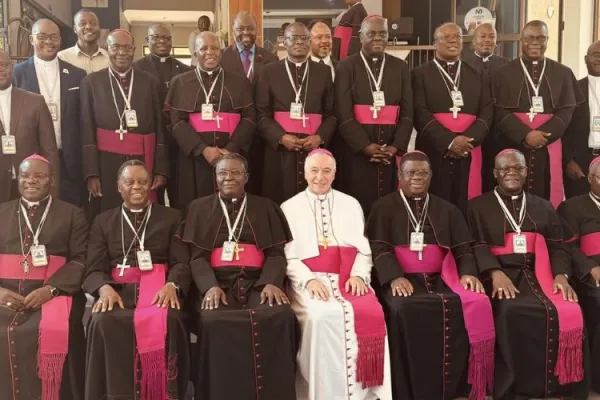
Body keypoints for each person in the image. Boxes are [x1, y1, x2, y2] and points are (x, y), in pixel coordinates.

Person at [366, 151, 495, 400]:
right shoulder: (383, 207)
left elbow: (463, 248)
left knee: (472, 302)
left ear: (431, 176)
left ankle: (458, 386)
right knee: (404, 306)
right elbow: (379, 248)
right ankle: (410, 389)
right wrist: (394, 278)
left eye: (423, 173)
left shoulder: (446, 208)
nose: (417, 177)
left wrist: (468, 273)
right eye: (411, 172)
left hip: (443, 277)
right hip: (403, 278)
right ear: (400, 176)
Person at [468, 149, 588, 399]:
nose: (511, 172)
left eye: (517, 168)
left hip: (540, 275)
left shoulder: (542, 206)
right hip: (502, 275)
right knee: (512, 309)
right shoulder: (477, 206)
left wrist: (561, 276)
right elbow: (475, 244)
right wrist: (493, 272)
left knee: (570, 307)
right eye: (505, 168)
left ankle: (558, 384)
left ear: (526, 172)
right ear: (494, 173)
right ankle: (514, 387)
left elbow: (558, 245)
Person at [178, 153, 297, 399]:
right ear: (215, 177)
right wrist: (209, 287)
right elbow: (197, 258)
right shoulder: (199, 208)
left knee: (281, 314)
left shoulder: (265, 207)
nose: (228, 178)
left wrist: (271, 283)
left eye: (234, 173)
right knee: (212, 320)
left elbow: (276, 253)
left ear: (246, 177)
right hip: (219, 284)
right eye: (222, 173)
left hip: (257, 283)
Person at [282, 149, 392, 400]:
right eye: (314, 170)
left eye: (326, 171)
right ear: (304, 173)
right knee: (320, 315)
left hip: (347, 277)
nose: (319, 177)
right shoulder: (289, 207)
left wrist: (359, 276)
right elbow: (287, 256)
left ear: (334, 174)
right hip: (308, 280)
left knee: (371, 312)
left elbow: (364, 251)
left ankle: (364, 392)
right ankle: (321, 391)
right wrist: (308, 280)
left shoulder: (350, 204)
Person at [83, 160, 190, 400]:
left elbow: (181, 261)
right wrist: (104, 288)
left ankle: (164, 393)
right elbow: (93, 266)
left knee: (169, 317)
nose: (137, 187)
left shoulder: (172, 217)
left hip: (158, 289)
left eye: (143, 182)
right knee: (102, 320)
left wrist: (172, 285)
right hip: (118, 291)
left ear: (152, 184)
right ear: (119, 186)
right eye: (129, 182)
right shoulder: (103, 220)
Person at [0, 155, 88, 400]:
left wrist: (50, 290)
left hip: (52, 296)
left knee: (48, 329)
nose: (30, 181)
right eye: (26, 175)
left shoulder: (72, 214)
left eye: (38, 176)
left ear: (51, 180)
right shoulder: (2, 212)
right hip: (6, 297)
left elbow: (81, 259)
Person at [490, 20, 583, 208]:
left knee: (547, 192)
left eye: (541, 38)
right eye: (530, 38)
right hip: (514, 142)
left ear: (547, 40)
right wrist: (525, 134)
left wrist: (544, 135)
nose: (535, 42)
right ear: (521, 40)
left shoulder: (563, 73)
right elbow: (498, 110)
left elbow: (567, 110)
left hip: (548, 145)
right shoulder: (503, 73)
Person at [81, 29, 167, 220]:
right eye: (115, 47)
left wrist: (160, 169)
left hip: (144, 159)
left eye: (127, 47)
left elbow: (160, 127)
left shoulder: (150, 82)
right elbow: (86, 129)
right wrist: (91, 173)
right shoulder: (91, 82)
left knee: (145, 213)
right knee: (109, 213)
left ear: (134, 50)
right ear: (106, 49)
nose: (122, 52)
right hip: (106, 163)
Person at [165, 31, 256, 213]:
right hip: (194, 160)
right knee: (194, 209)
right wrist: (202, 149)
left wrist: (230, 149)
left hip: (232, 157)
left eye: (214, 48)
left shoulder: (239, 82)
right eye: (203, 48)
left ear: (221, 51)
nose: (210, 52)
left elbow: (249, 118)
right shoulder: (180, 82)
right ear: (194, 52)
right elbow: (175, 121)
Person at [335, 16, 413, 215]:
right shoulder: (346, 67)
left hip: (389, 150)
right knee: (357, 205)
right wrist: (365, 146)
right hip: (357, 152)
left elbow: (407, 112)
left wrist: (395, 147)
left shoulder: (401, 67)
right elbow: (343, 113)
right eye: (372, 34)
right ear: (361, 37)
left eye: (382, 34)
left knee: (390, 205)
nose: (377, 38)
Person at [413, 22, 493, 215]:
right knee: (433, 199)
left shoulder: (477, 75)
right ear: (435, 43)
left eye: (457, 36)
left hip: (469, 149)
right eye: (446, 37)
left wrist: (467, 141)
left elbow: (487, 111)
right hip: (434, 148)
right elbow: (419, 112)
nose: (453, 41)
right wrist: (449, 141)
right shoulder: (419, 74)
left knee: (467, 199)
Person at [256, 22, 336, 204]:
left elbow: (331, 114)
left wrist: (320, 137)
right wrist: (281, 137)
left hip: (313, 148)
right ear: (285, 42)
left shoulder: (323, 72)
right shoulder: (269, 71)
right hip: (280, 152)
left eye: (304, 38)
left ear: (309, 42)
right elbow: (261, 114)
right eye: (294, 38)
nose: (299, 42)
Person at [13, 19, 87, 207]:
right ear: (31, 39)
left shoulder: (78, 74)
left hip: (68, 159)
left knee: (68, 211)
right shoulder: (17, 74)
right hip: (31, 156)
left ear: (60, 40)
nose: (48, 41)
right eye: (42, 36)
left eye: (54, 37)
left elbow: (84, 119)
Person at [220, 11, 278, 195]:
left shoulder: (270, 58)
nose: (246, 32)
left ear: (257, 30)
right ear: (233, 30)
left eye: (250, 28)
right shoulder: (222, 58)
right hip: (234, 133)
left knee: (260, 181)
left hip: (263, 132)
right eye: (240, 28)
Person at [134, 23, 192, 205]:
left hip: (177, 141)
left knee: (180, 192)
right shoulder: (136, 69)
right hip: (150, 139)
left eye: (166, 38)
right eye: (156, 37)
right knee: (152, 192)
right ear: (147, 40)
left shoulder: (185, 71)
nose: (162, 41)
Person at [557, 156, 600, 394]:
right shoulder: (571, 206)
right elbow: (567, 246)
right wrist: (590, 268)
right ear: (591, 179)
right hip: (589, 272)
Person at [0, 50, 58, 203]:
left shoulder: (35, 102)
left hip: (31, 185)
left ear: (12, 68)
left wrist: (53, 189)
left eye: (5, 65)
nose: (1, 69)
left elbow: (49, 150)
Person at [563, 40, 600, 198]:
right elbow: (563, 128)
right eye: (595, 55)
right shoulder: (572, 89)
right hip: (581, 160)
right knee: (578, 210)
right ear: (586, 59)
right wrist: (568, 160)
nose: (599, 59)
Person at [58, 9, 109, 74]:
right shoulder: (63, 57)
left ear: (99, 27)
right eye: (82, 24)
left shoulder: (109, 59)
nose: (88, 27)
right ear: (75, 29)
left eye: (93, 23)